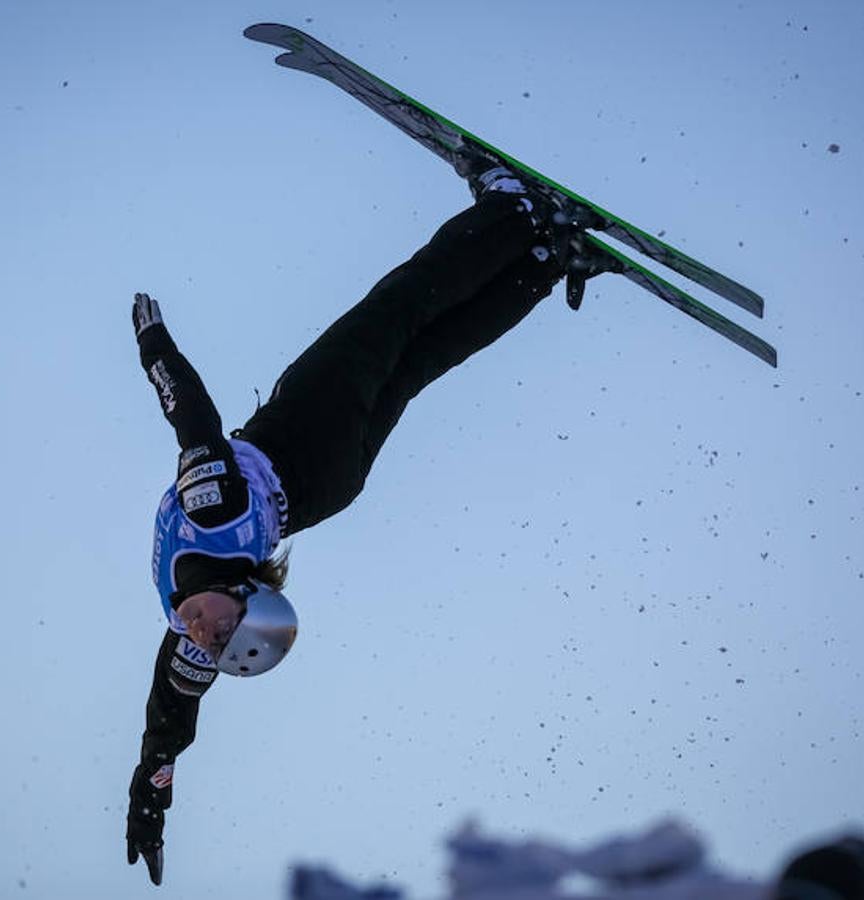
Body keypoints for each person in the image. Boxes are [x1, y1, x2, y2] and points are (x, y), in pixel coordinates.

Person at [125, 164, 588, 885]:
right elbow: (194, 424)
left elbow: (169, 721)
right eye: (220, 630)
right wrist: (156, 352)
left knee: (423, 354)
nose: (200, 635)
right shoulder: (212, 518)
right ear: (243, 591)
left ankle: (541, 255)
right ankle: (515, 214)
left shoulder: (192, 623)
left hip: (328, 488)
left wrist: (148, 801)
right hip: (306, 438)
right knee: (395, 314)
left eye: (209, 643)